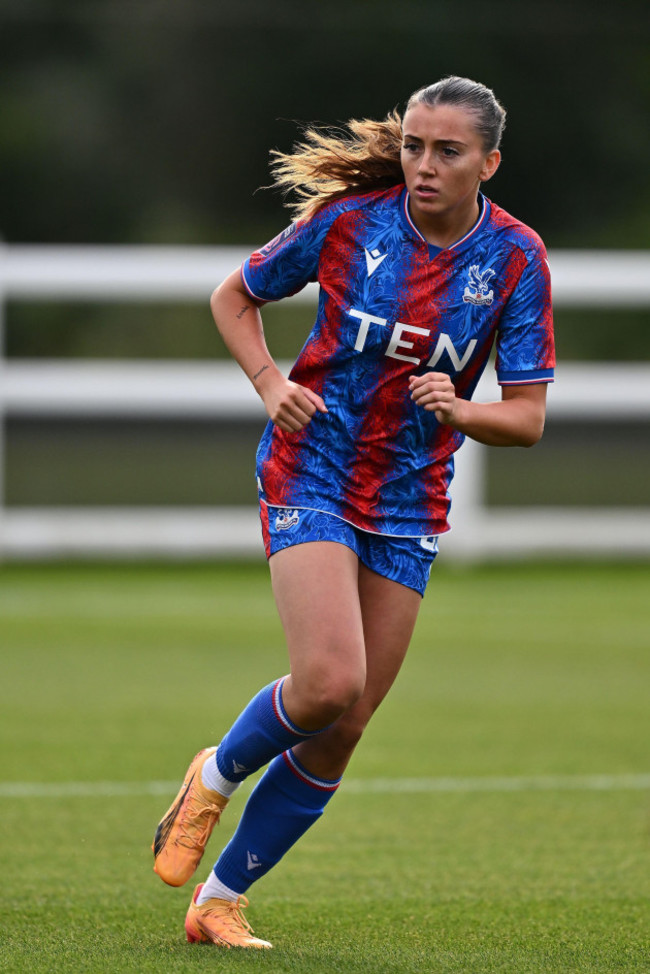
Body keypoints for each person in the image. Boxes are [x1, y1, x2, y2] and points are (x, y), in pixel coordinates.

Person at [152, 75, 555, 949]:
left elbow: (526, 418)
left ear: (489, 163)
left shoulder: (516, 259)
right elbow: (234, 295)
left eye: (447, 151)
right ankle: (213, 777)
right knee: (328, 683)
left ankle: (218, 903)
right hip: (313, 469)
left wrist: (461, 409)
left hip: (409, 500)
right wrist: (271, 383)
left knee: (347, 725)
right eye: (413, 146)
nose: (423, 165)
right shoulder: (349, 223)